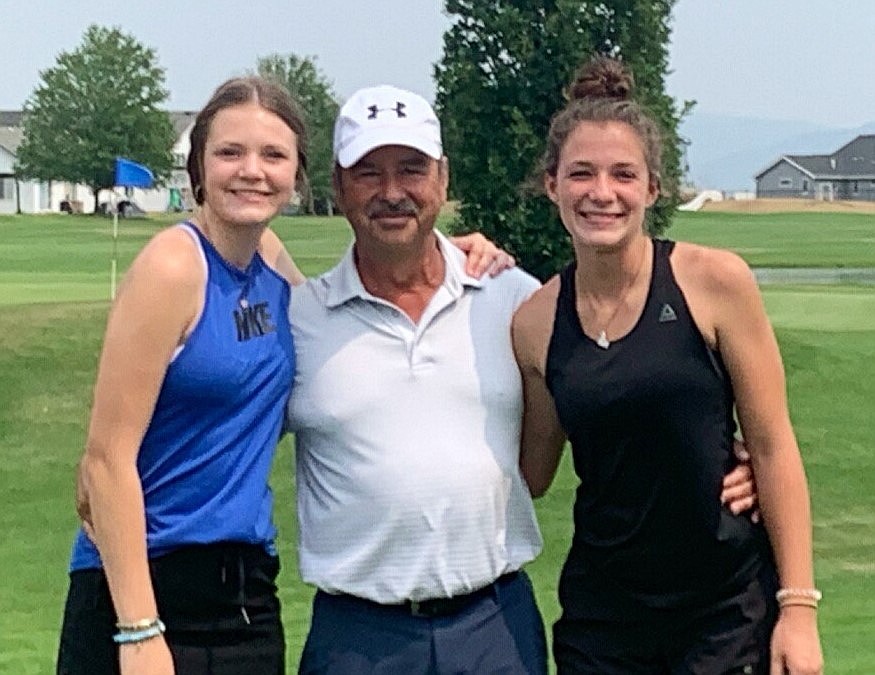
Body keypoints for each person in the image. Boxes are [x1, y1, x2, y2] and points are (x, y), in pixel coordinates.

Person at [286, 84, 758, 675]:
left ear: (442, 179)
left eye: (412, 169)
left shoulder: (510, 298)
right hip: (355, 636)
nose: (391, 192)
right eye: (367, 173)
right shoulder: (300, 318)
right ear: (337, 186)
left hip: (493, 625)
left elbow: (606, 411)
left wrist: (732, 461)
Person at [58, 76, 505, 675]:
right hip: (144, 587)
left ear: (298, 175)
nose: (252, 171)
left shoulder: (271, 265)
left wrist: (456, 253)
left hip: (243, 593)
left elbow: (357, 308)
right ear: (199, 167)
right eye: (230, 153)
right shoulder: (172, 265)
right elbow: (103, 464)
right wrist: (139, 631)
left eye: (273, 155)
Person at [512, 55, 823, 674]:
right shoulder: (534, 321)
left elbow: (770, 443)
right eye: (581, 174)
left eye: (623, 174)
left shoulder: (714, 281)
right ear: (551, 185)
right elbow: (533, 473)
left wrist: (798, 611)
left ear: (652, 188)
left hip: (724, 611)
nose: (602, 193)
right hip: (603, 621)